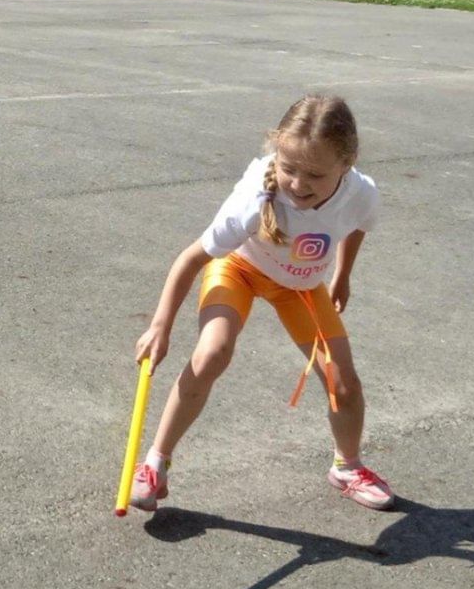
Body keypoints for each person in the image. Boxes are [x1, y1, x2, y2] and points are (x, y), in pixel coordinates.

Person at [128, 94, 393, 514]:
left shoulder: (361, 192)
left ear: (348, 163)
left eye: (314, 175)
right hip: (240, 271)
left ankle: (348, 466)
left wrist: (343, 274)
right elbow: (192, 258)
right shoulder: (254, 197)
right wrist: (160, 325)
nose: (299, 184)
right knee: (212, 353)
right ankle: (155, 462)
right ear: (276, 152)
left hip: (301, 286)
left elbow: (358, 224)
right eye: (289, 169)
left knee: (344, 384)